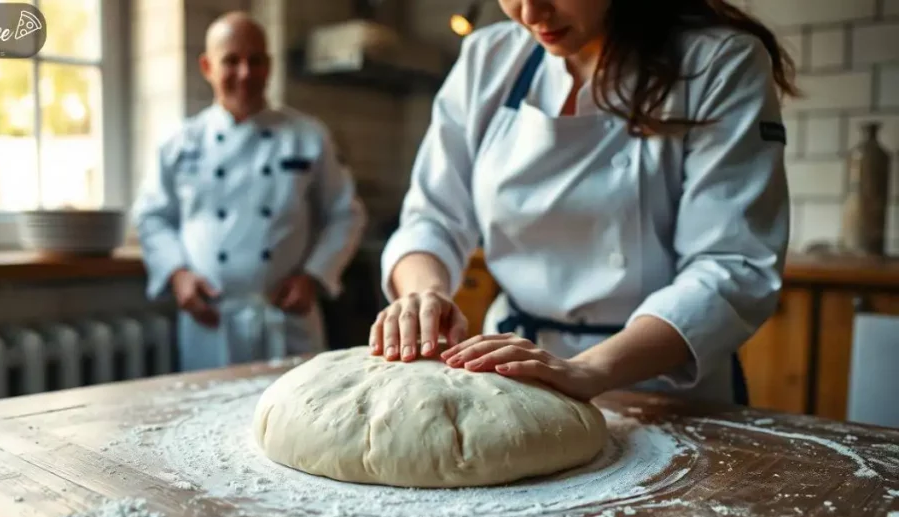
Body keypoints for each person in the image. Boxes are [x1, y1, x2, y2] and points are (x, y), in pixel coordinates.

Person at [370, 0, 797, 406]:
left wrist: (590, 369)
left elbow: (731, 264)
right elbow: (433, 217)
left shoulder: (717, 62)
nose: (531, 12)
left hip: (661, 385)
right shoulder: (490, 57)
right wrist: (424, 293)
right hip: (512, 375)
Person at [133, 11, 367, 371]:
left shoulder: (308, 135)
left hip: (285, 317)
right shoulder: (179, 142)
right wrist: (178, 275)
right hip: (211, 321)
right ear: (207, 66)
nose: (245, 73)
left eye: (256, 60)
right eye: (232, 61)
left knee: (295, 419)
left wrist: (314, 276)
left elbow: (345, 213)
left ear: (269, 66)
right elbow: (152, 217)